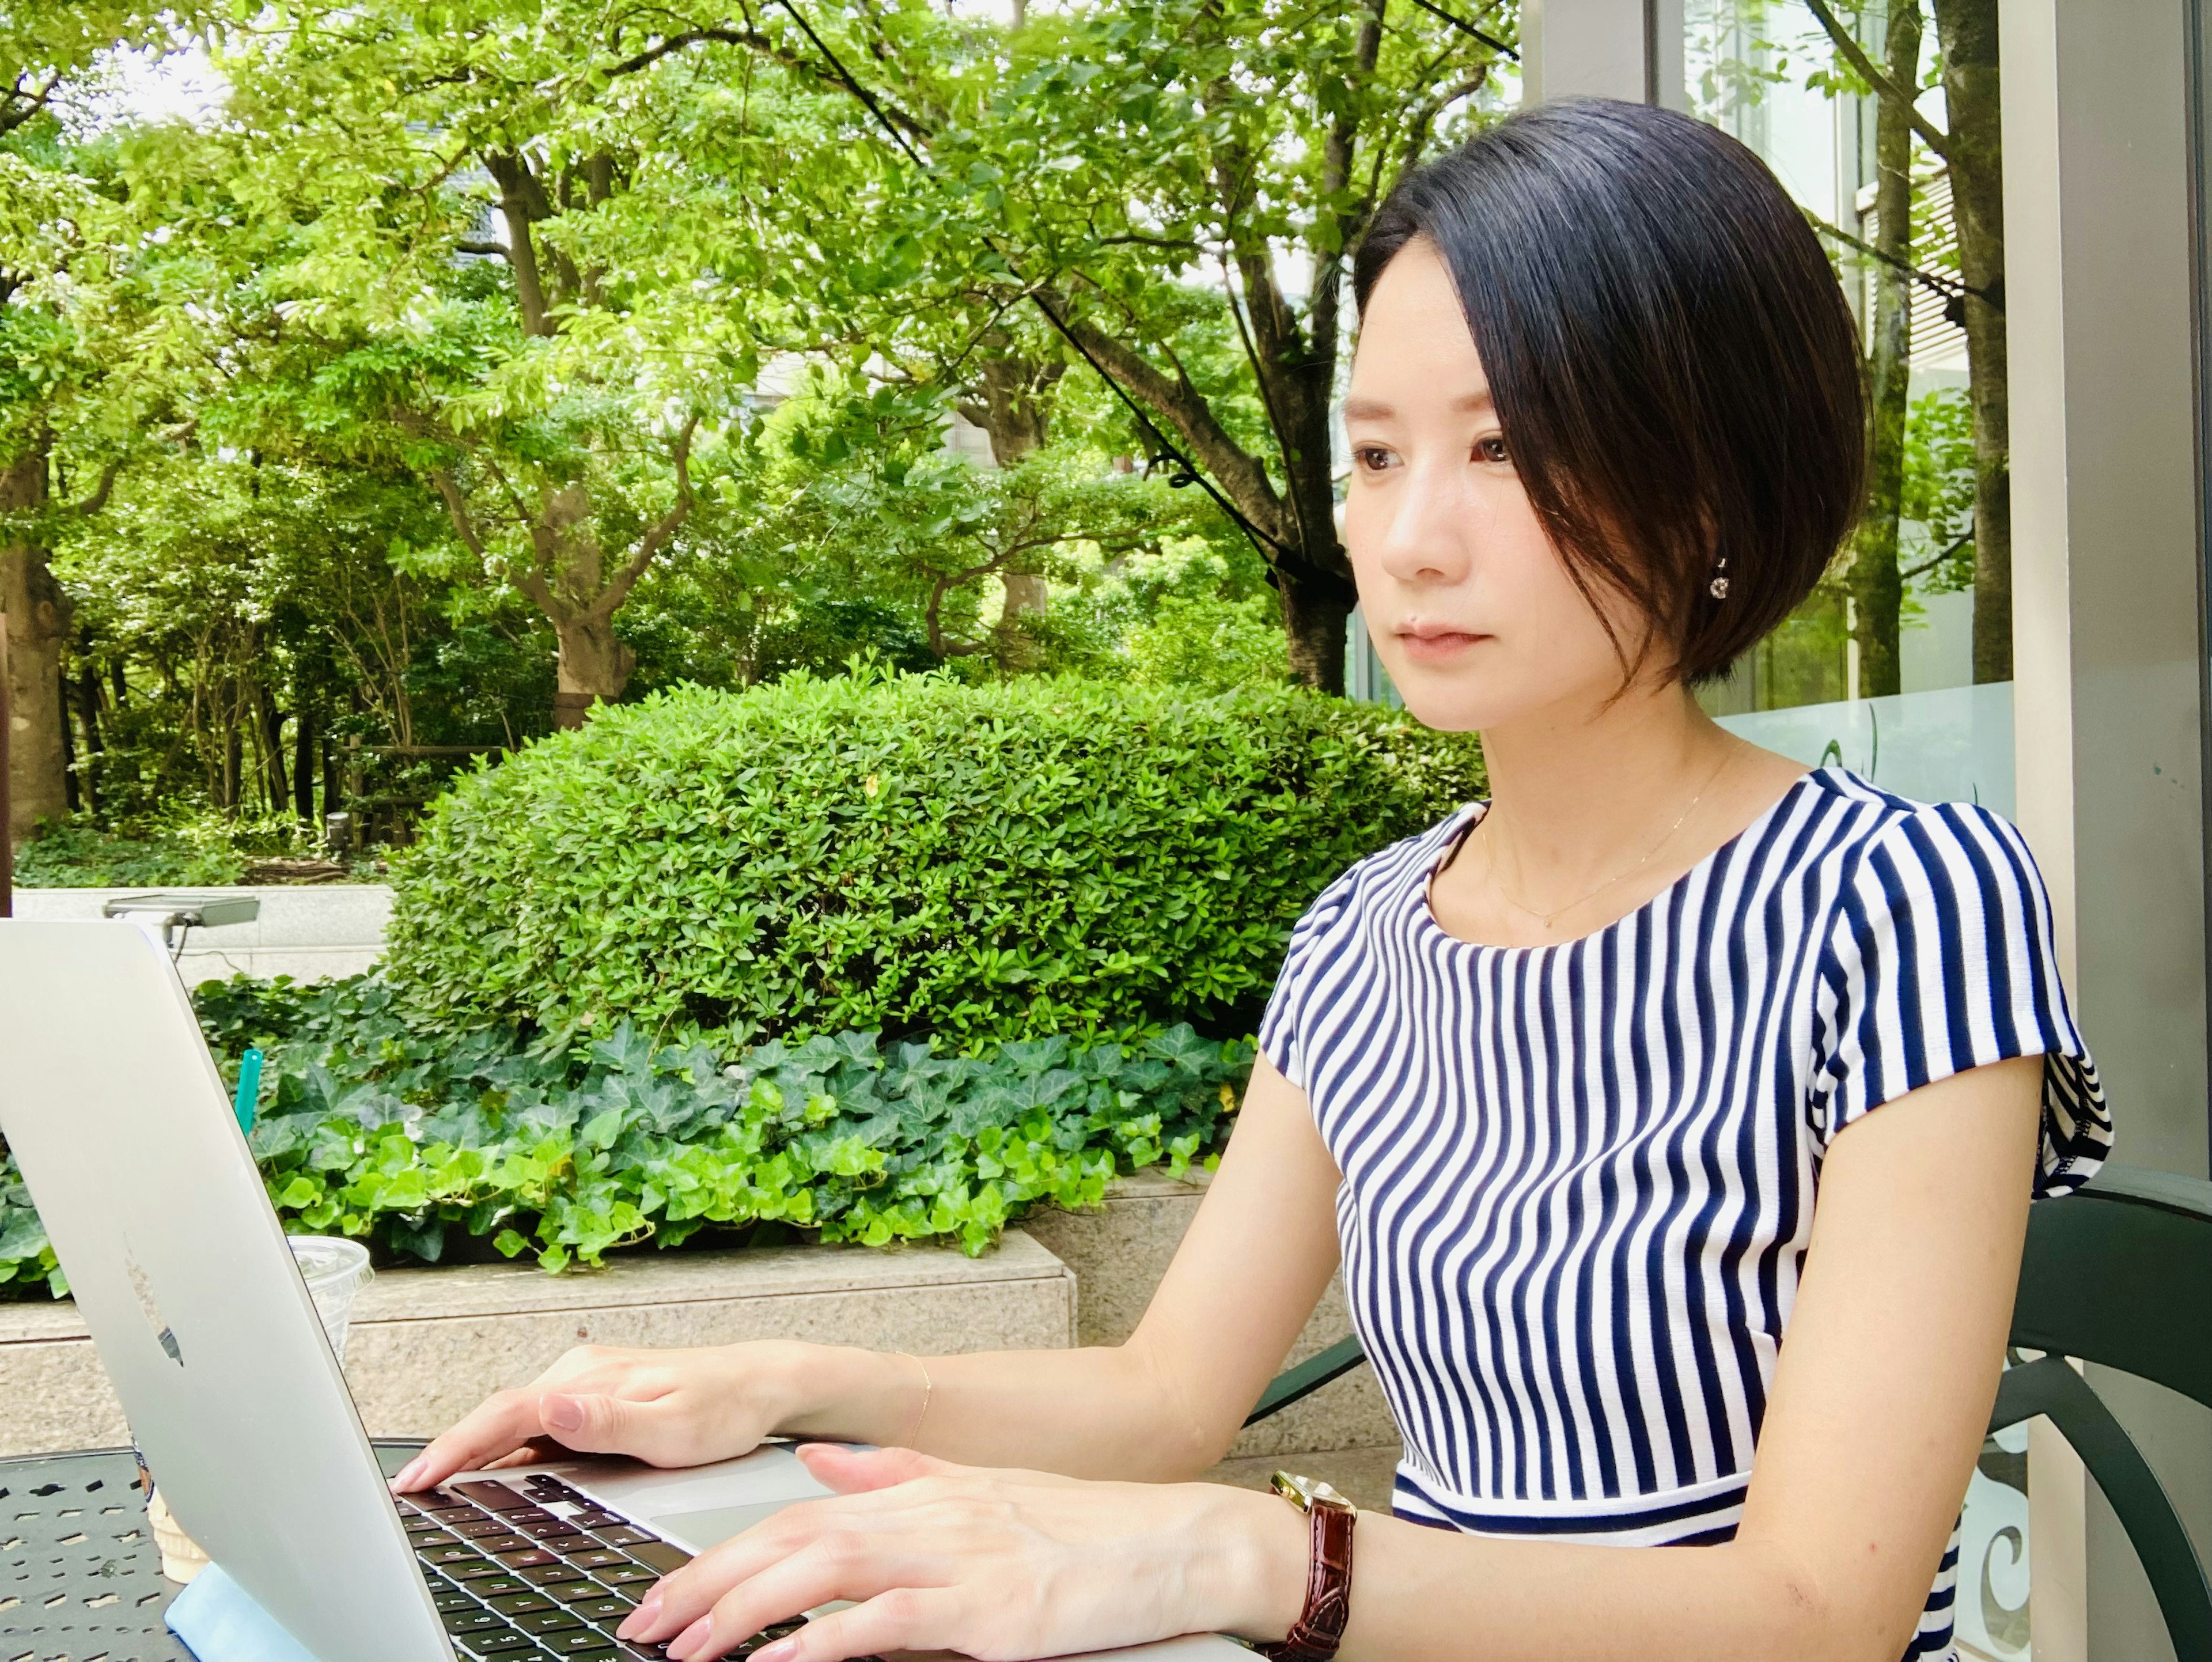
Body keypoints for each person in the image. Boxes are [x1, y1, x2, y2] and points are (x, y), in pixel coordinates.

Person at [394, 99, 2111, 1662]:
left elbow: (1818, 1611)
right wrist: (768, 1385)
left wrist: (1252, 1558)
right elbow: (1162, 1395)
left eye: (1507, 449)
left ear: (1718, 477)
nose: (1413, 535)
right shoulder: (1367, 935)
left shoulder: (1906, 903)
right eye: (1375, 453)